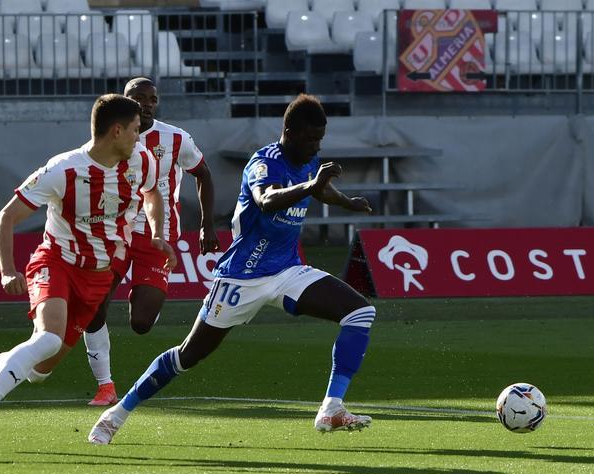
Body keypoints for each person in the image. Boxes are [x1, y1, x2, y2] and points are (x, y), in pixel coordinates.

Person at [87, 94, 377, 445]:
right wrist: (312, 186)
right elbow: (266, 201)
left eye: (320, 139)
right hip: (241, 277)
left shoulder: (307, 159)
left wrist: (347, 202)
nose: (316, 146)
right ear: (290, 132)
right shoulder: (263, 162)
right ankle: (115, 415)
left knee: (359, 312)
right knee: (187, 356)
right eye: (311, 138)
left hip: (287, 271)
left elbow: (320, 189)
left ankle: (331, 406)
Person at [0, 94, 176, 446]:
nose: (139, 135)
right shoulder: (64, 170)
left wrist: (158, 233)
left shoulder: (140, 161)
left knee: (39, 371)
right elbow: (6, 217)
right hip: (57, 262)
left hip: (97, 276)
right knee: (48, 338)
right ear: (116, 131)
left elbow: (152, 194)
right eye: (134, 129)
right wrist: (7, 271)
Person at [81, 77, 220, 407]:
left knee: (142, 323)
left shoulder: (175, 139)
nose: (146, 103)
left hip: (158, 237)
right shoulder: (109, 135)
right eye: (138, 97)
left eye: (152, 99)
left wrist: (207, 225)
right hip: (113, 233)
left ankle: (142, 291)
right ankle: (105, 385)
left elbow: (204, 174)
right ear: (124, 100)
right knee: (94, 306)